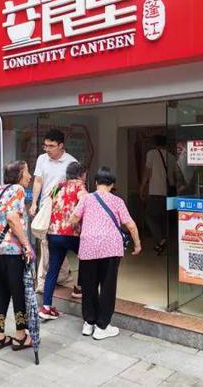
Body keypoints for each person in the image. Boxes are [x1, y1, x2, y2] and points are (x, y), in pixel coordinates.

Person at [69, 167, 142, 340]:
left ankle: (89, 323)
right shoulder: (117, 201)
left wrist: (83, 228)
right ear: (112, 185)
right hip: (111, 248)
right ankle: (102, 326)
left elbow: (73, 219)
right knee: (108, 287)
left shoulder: (86, 199)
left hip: (88, 248)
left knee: (89, 286)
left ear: (96, 182)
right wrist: (137, 244)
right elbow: (130, 225)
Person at [0, 160, 34, 352]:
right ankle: (21, 336)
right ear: (19, 174)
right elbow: (12, 218)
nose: (30, 176)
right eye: (27, 172)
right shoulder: (18, 190)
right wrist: (26, 245)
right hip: (11, 252)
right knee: (18, 291)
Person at [30, 129, 79, 295]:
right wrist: (34, 203)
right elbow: (38, 181)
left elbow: (75, 187)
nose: (47, 149)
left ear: (61, 145)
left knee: (56, 244)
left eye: (51, 146)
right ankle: (47, 281)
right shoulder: (42, 159)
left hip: (64, 211)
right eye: (45, 146)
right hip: (46, 208)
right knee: (47, 244)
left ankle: (54, 278)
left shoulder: (71, 162)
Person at [39, 162, 88, 320]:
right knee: (86, 257)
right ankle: (79, 288)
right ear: (82, 174)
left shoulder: (57, 186)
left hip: (53, 233)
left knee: (53, 269)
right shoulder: (80, 186)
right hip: (72, 233)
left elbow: (49, 203)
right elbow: (84, 202)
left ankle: (46, 307)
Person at [139, 135, 179, 255]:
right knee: (165, 218)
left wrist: (142, 187)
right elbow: (175, 176)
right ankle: (162, 243)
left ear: (155, 143)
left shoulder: (151, 153)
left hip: (156, 191)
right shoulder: (172, 157)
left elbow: (147, 172)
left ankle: (161, 239)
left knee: (149, 216)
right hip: (170, 192)